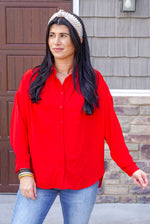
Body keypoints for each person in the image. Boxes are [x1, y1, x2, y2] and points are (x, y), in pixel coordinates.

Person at [10, 9, 148, 224]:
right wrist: (24, 173)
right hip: (39, 177)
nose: (56, 41)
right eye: (52, 35)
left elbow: (111, 128)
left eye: (63, 36)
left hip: (82, 179)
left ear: (78, 40)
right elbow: (20, 129)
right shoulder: (31, 79)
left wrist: (130, 167)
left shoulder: (95, 82)